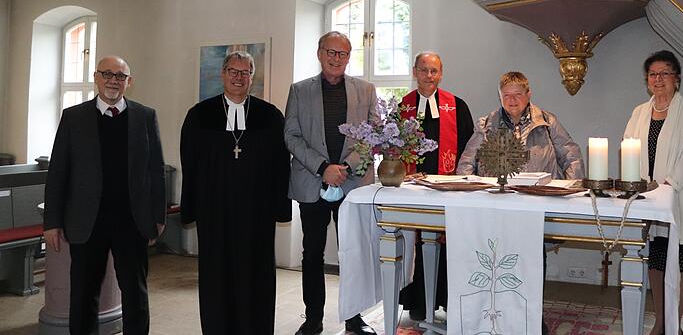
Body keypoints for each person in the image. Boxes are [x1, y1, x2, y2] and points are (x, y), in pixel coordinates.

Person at [44, 56, 166, 335]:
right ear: (96, 77)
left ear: (129, 82)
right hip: (87, 221)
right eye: (107, 74)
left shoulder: (145, 116)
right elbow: (58, 171)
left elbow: (155, 170)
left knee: (135, 294)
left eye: (120, 76)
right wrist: (52, 221)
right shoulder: (74, 117)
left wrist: (157, 217)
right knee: (84, 294)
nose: (113, 80)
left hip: (131, 220)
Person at [456, 71, 584, 335]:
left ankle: (533, 316)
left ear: (528, 95)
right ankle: (497, 317)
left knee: (533, 262)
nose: (512, 100)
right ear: (500, 97)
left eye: (518, 94)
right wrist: (466, 189)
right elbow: (467, 161)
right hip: (497, 205)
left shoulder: (547, 122)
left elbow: (571, 155)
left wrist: (571, 190)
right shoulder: (486, 124)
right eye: (507, 95)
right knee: (499, 261)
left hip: (535, 204)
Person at [180, 51, 291, 334]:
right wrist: (191, 206)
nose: (239, 77)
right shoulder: (199, 115)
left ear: (252, 77)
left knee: (257, 276)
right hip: (213, 213)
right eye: (233, 71)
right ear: (223, 74)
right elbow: (189, 163)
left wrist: (280, 206)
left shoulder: (269, 116)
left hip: (257, 215)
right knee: (216, 276)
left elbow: (281, 165)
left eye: (245, 72)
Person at [284, 31, 378, 335]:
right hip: (313, 183)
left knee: (352, 251)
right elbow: (291, 136)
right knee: (312, 253)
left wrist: (346, 166)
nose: (336, 59)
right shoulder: (299, 91)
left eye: (343, 53)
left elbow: (373, 134)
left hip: (352, 185)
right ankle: (313, 319)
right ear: (320, 53)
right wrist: (323, 167)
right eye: (331, 52)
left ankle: (354, 318)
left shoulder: (366, 90)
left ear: (349, 57)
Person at [623, 50, 683, 335]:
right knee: (655, 262)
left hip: (678, 198)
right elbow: (629, 149)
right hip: (647, 201)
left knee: (678, 263)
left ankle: (674, 325)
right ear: (647, 80)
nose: (658, 79)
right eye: (653, 74)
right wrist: (637, 182)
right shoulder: (639, 112)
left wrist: (668, 184)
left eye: (664, 73)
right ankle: (661, 322)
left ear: (677, 79)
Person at [398, 52, 474, 321]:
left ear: (441, 73)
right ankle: (419, 301)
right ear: (415, 71)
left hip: (448, 188)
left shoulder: (457, 106)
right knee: (418, 242)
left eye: (434, 71)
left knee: (452, 243)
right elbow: (393, 148)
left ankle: (450, 300)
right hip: (414, 188)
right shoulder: (403, 107)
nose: (429, 76)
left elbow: (469, 149)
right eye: (424, 70)